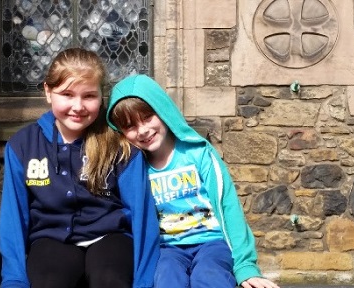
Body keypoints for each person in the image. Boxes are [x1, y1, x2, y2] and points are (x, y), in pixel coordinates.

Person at [0, 48, 159, 288]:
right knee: (49, 282)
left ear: (101, 97)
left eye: (89, 96)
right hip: (51, 239)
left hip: (110, 237)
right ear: (48, 92)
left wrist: (144, 282)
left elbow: (142, 214)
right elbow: (14, 217)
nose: (78, 106)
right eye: (67, 94)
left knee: (110, 280)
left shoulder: (120, 145)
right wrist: (14, 280)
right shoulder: (22, 146)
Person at [106, 74, 280, 288]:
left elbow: (229, 207)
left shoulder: (198, 154)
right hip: (168, 250)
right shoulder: (134, 167)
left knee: (209, 277)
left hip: (212, 243)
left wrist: (245, 267)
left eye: (148, 117)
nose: (143, 130)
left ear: (163, 109)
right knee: (167, 278)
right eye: (130, 126)